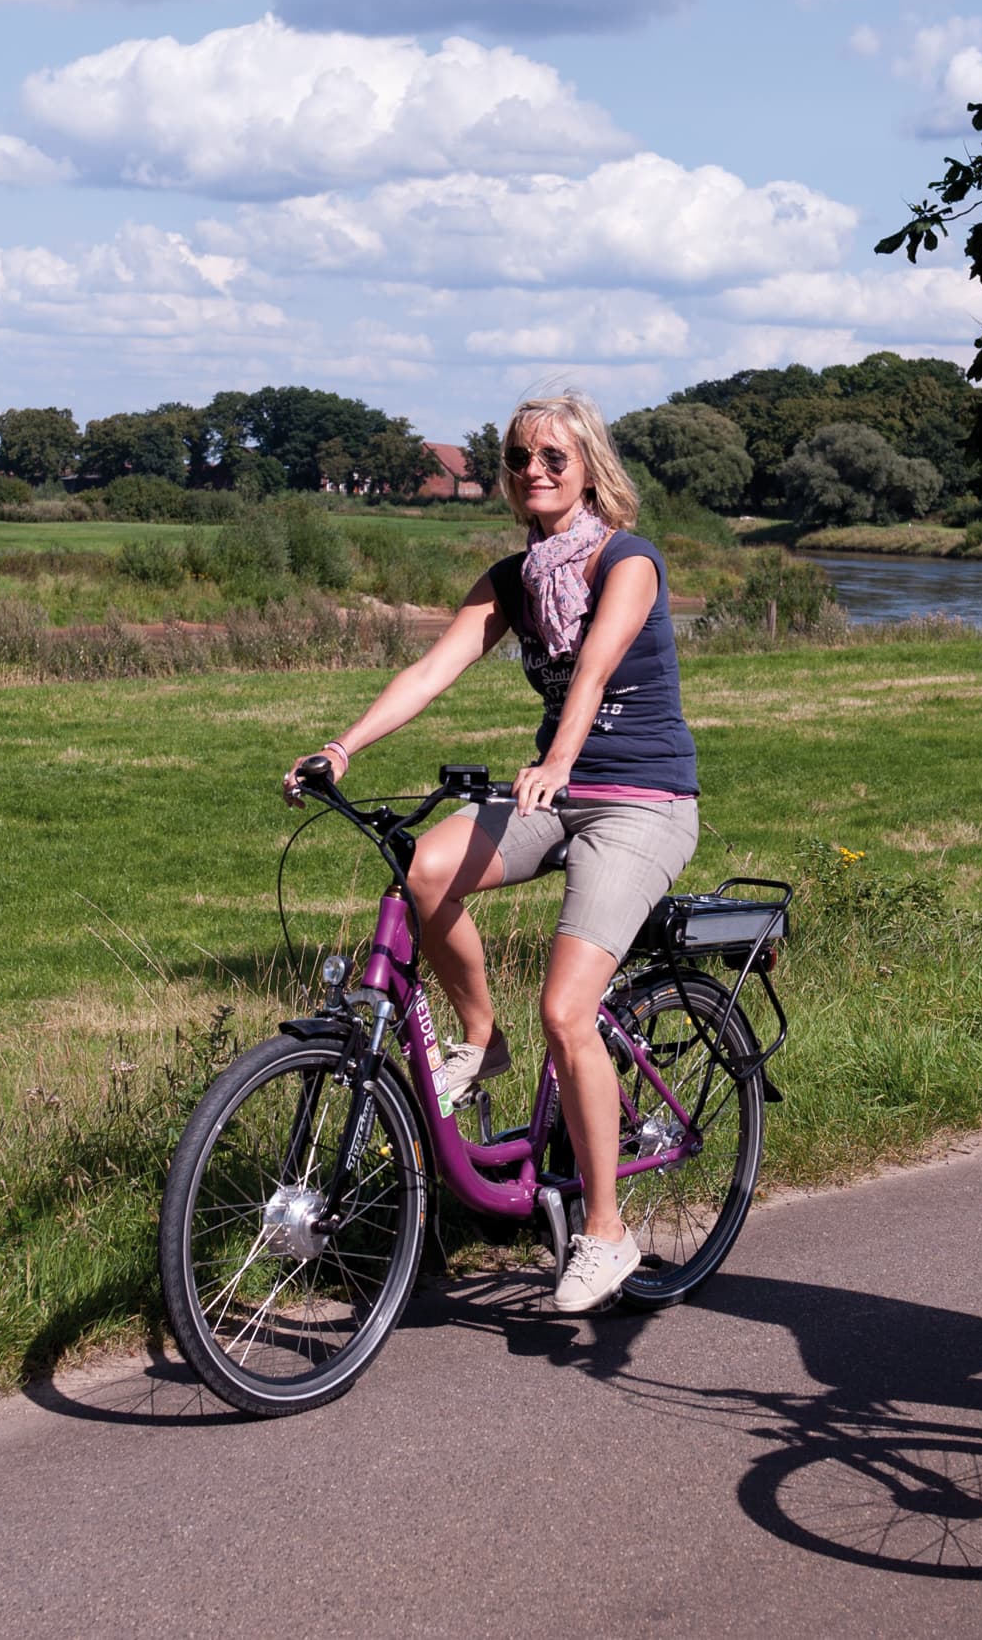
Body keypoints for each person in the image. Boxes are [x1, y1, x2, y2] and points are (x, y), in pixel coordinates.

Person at [289, 390, 700, 1312]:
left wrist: (558, 756)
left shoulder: (627, 561)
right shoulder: (514, 579)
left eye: (554, 457)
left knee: (570, 1007)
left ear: (588, 466)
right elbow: (433, 668)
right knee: (426, 870)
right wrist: (343, 747)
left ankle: (606, 1233)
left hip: (640, 800)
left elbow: (592, 667)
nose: (534, 472)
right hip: (551, 792)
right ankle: (482, 1039)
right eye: (519, 458)